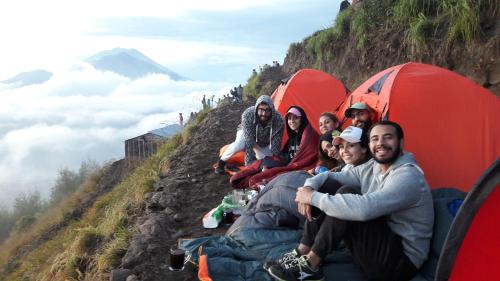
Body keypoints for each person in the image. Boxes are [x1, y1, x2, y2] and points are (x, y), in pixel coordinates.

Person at [267, 121, 434, 281]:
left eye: (388, 137)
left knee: (347, 197)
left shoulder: (409, 176)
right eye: (375, 139)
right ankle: (303, 251)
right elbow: (330, 177)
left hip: (400, 263)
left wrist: (312, 198)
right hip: (380, 243)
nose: (380, 143)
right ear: (369, 145)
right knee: (333, 187)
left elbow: (364, 209)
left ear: (401, 143)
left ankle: (311, 265)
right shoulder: (373, 167)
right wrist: (308, 189)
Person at [230, 106, 319, 189]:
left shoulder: (308, 135)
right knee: (262, 163)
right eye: (289, 118)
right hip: (288, 164)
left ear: (302, 119)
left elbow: (308, 156)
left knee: (259, 177)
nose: (292, 121)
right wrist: (272, 163)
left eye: (296, 117)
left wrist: (283, 167)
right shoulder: (293, 138)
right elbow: (285, 155)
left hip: (296, 167)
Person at [215, 95, 284, 174]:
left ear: (272, 110)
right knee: (239, 144)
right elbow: (248, 140)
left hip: (263, 139)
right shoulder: (248, 114)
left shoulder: (278, 120)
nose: (264, 114)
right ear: (256, 108)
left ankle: (247, 156)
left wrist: (275, 159)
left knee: (265, 159)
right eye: (261, 110)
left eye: (267, 110)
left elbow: (276, 143)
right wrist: (249, 165)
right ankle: (221, 163)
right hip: (246, 132)